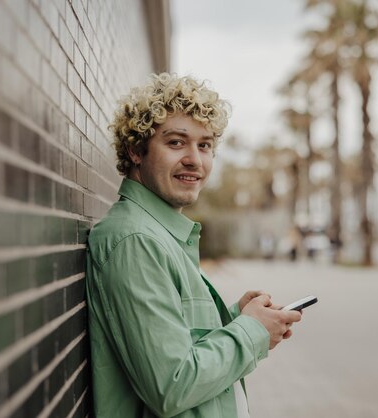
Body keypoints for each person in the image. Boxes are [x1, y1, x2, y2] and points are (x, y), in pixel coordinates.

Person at [85, 73, 303, 418]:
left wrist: (235, 319)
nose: (194, 160)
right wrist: (252, 332)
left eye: (204, 146)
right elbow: (172, 385)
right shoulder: (135, 242)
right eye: (175, 143)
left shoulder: (159, 235)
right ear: (135, 151)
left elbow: (175, 342)